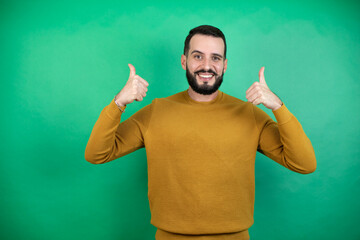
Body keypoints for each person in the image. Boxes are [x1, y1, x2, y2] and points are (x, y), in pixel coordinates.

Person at [85, 25, 316, 240]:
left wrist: (278, 107)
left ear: (225, 65)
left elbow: (304, 163)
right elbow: (97, 154)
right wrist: (118, 103)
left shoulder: (250, 114)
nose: (207, 66)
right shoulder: (156, 111)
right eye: (198, 56)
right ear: (184, 61)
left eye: (215, 58)